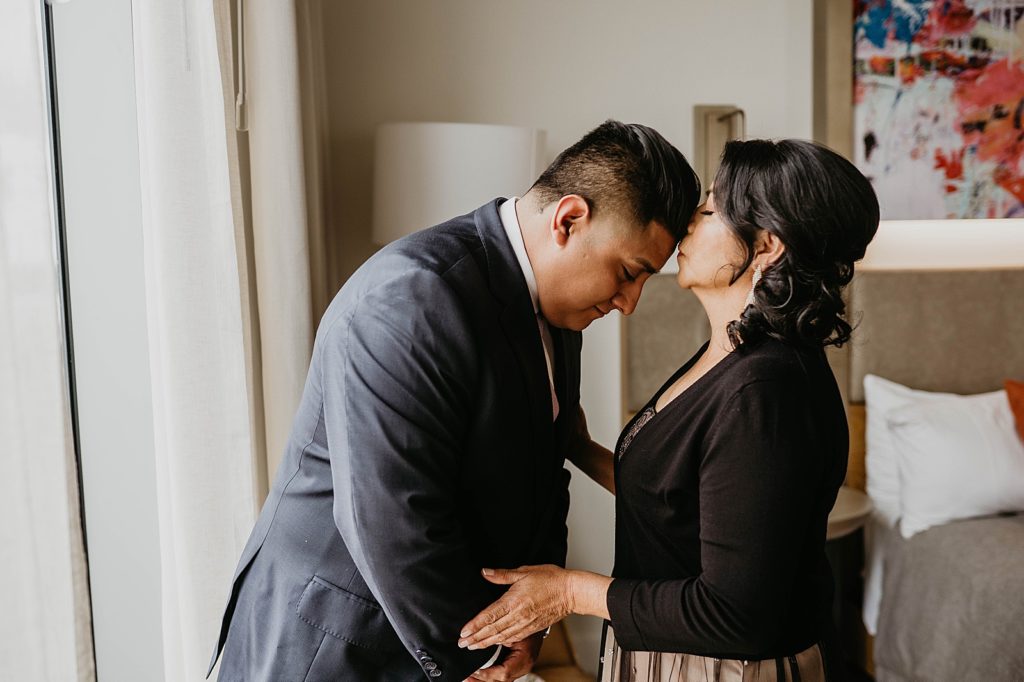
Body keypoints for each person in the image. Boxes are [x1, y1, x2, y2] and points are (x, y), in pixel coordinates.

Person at [207, 120, 701, 682]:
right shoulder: (411, 298)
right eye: (629, 273)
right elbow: (393, 520)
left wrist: (528, 625)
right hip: (339, 643)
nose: (630, 302)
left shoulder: (558, 310)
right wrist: (487, 651)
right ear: (568, 220)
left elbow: (545, 476)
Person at [458, 139, 880, 682]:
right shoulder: (731, 352)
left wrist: (568, 592)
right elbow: (685, 503)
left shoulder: (765, 393)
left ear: (768, 245)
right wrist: (580, 449)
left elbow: (735, 613)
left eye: (707, 211)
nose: (687, 225)